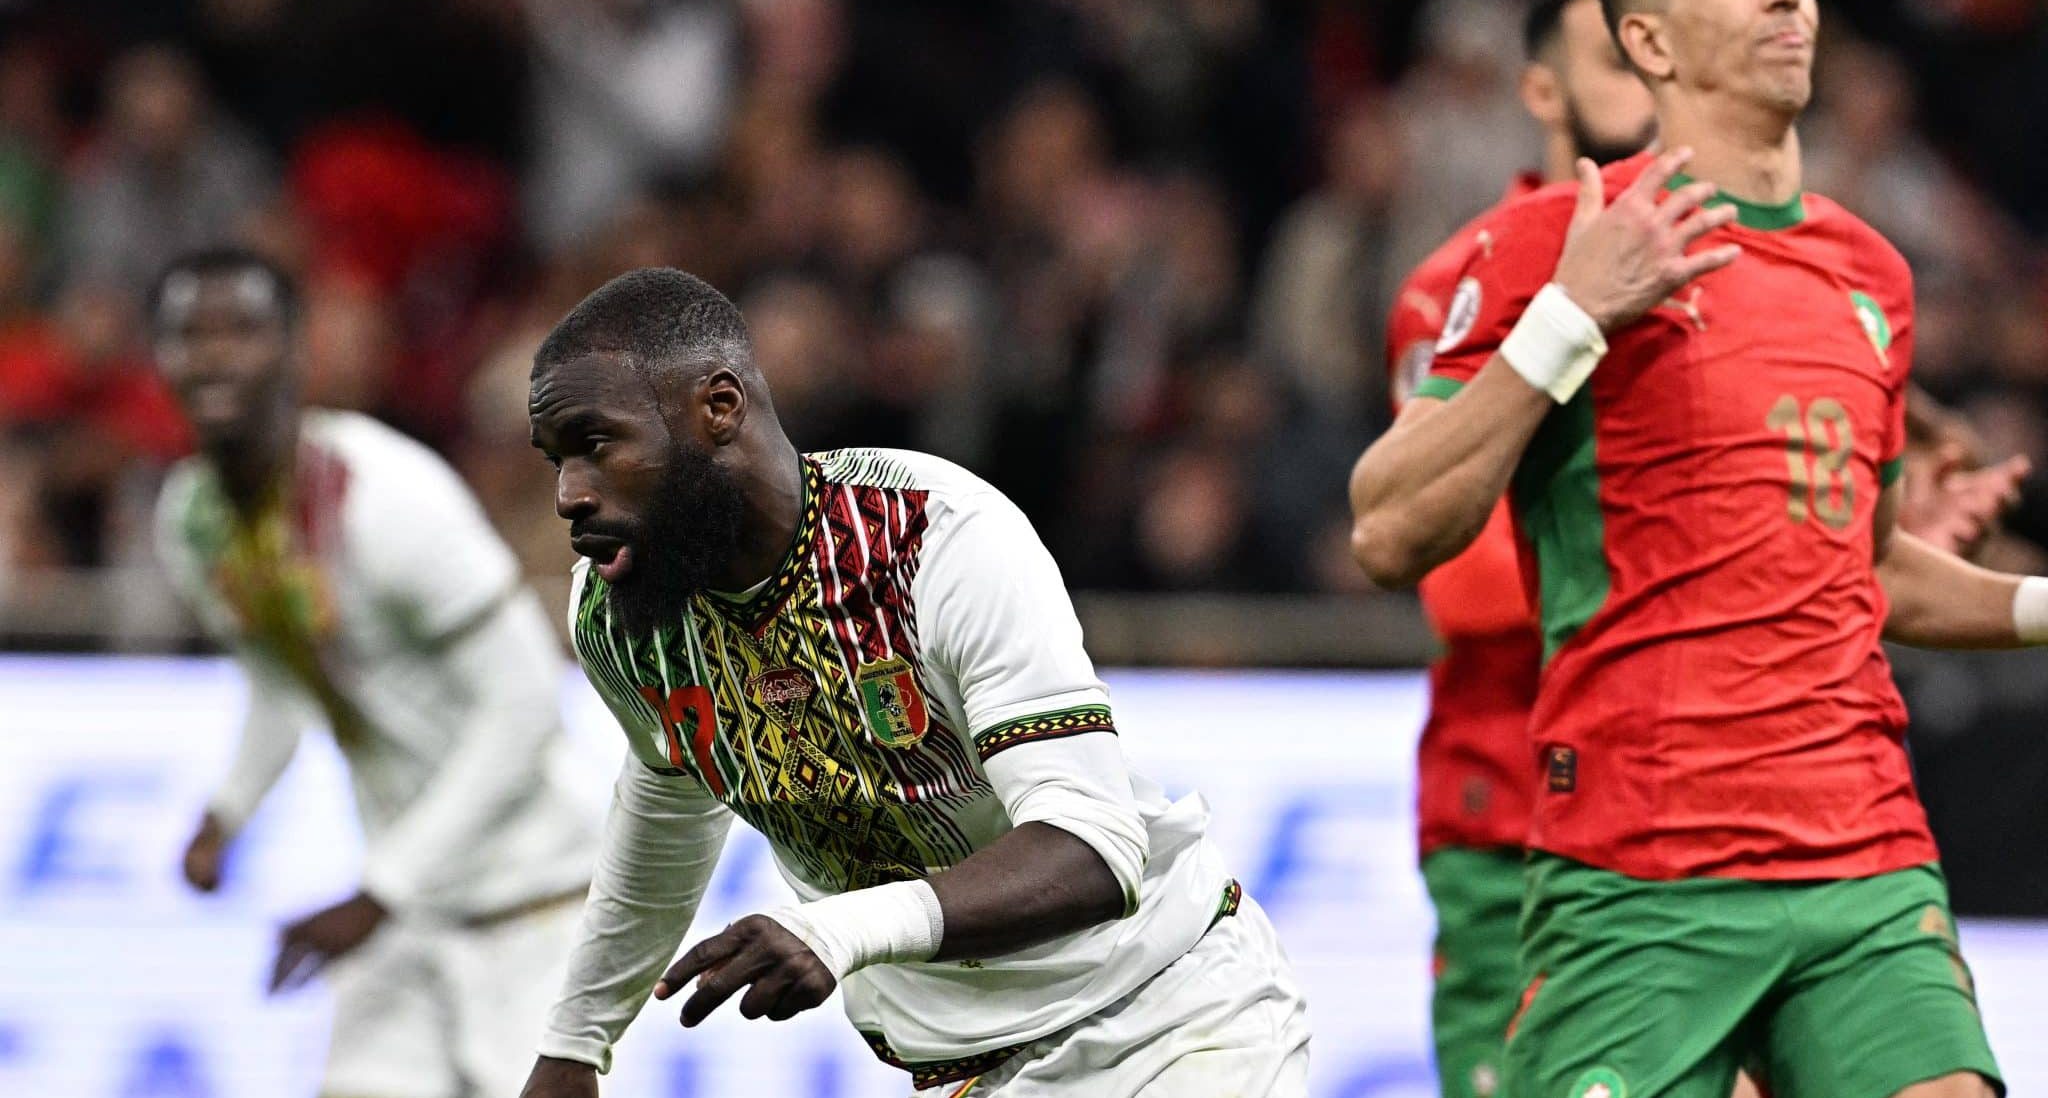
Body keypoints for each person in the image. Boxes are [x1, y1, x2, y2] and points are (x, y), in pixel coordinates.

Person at [1351, 0, 2047, 1096]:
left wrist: (2034, 604)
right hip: (1643, 874)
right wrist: (1572, 312)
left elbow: (1870, 567)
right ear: (1649, 43)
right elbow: (1387, 529)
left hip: (1862, 853)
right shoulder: (1552, 244)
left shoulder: (1868, 272)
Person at [519, 268, 1308, 1098]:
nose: (569, 494)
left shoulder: (933, 536)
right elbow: (668, 802)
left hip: (1170, 1018)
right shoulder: (619, 616)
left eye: (595, 444)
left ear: (718, 408)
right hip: (968, 1072)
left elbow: (1092, 849)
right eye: (556, 460)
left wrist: (839, 930)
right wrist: (575, 1042)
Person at [150, 247, 598, 1098]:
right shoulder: (193, 519)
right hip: (406, 915)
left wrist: (382, 892)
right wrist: (227, 811)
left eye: (240, 330)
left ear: (297, 350)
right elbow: (282, 679)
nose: (212, 356)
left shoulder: (387, 498)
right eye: (187, 334)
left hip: (536, 908)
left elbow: (528, 701)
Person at [1378, 0, 1653, 1098]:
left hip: (1684, 802)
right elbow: (1461, 573)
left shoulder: (1728, 276)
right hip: (1510, 796)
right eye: (1618, 58)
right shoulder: (1458, 282)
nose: (1650, 82)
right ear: (1541, 89)